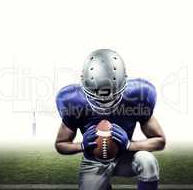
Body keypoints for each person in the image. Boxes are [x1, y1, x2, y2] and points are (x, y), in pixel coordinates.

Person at [55, 49, 166, 190]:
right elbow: (61, 144)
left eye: (111, 97)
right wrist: (81, 146)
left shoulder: (139, 96)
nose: (104, 103)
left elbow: (159, 141)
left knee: (147, 161)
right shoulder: (72, 101)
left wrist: (129, 145)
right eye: (97, 98)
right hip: (93, 162)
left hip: (126, 158)